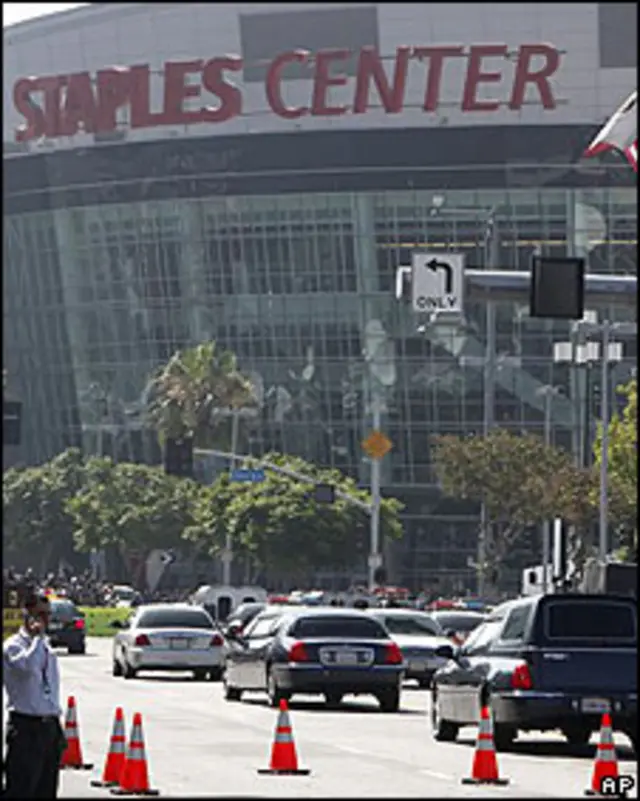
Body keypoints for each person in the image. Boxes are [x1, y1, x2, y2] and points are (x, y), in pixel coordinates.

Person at [3, 591, 66, 798]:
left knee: (46, 790)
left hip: (49, 726)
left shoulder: (45, 647)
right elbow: (28, 668)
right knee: (22, 789)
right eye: (40, 614)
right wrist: (37, 638)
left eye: (48, 614)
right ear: (27, 614)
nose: (46, 620)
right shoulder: (13, 646)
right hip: (26, 727)